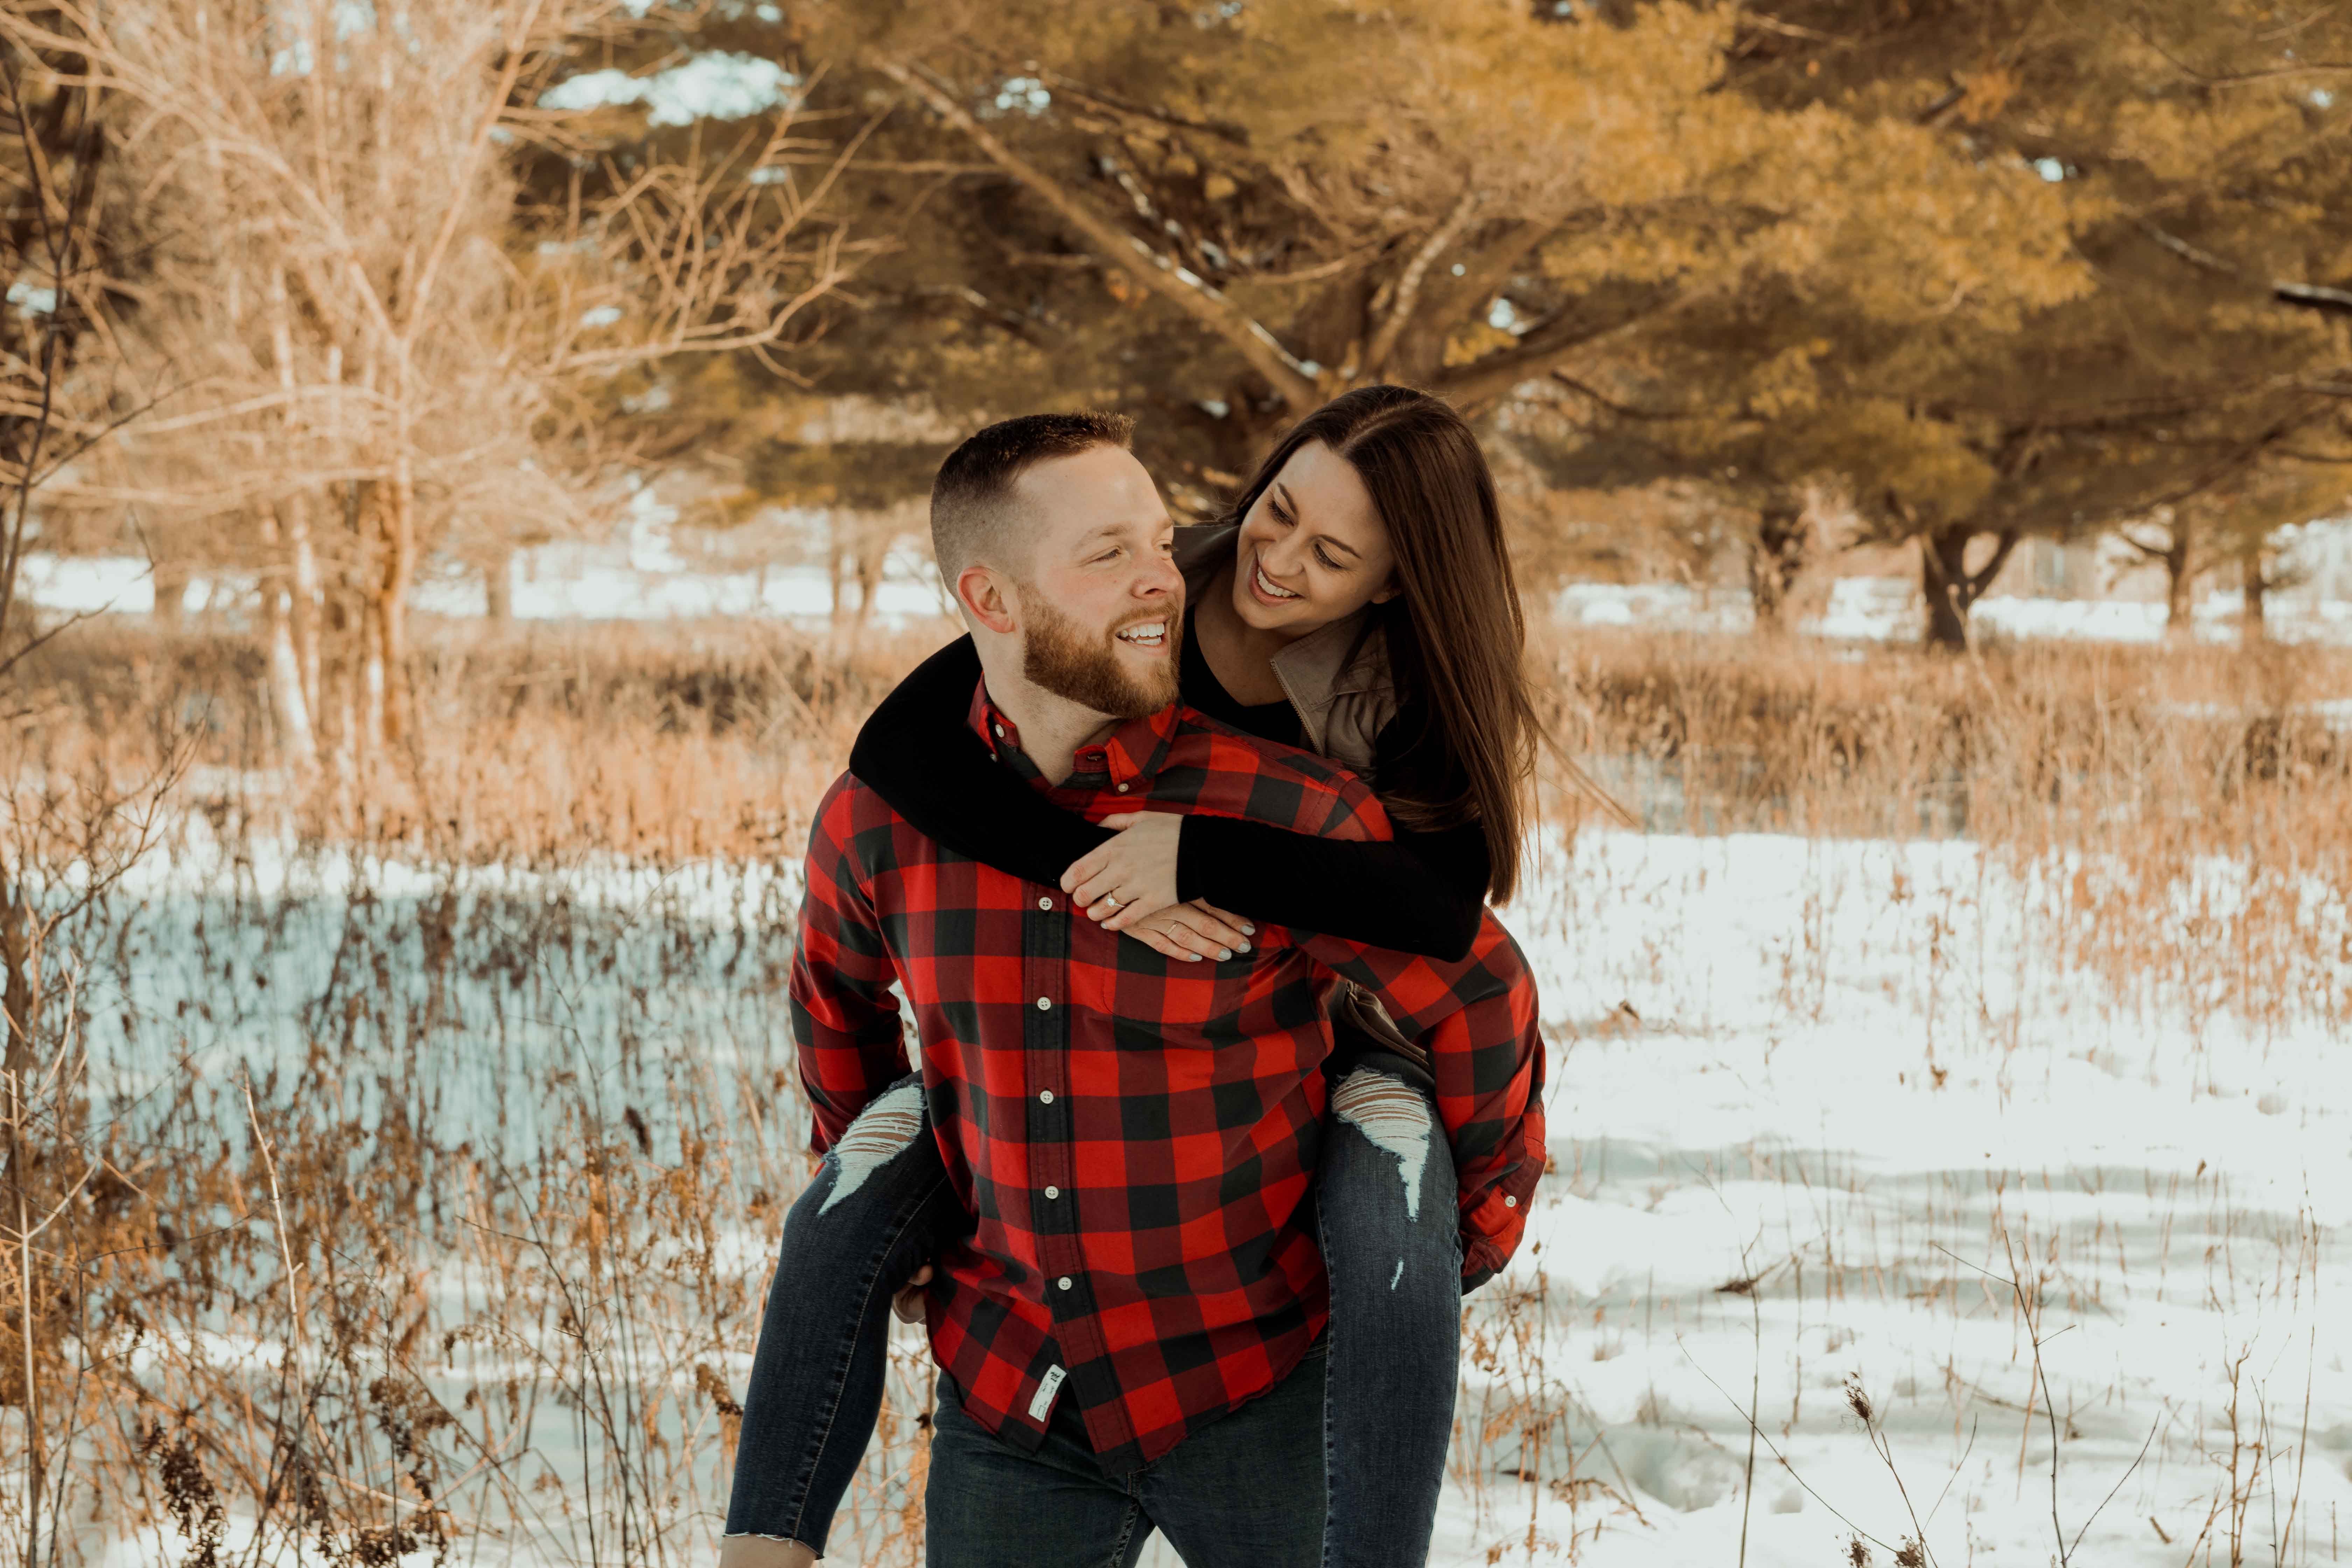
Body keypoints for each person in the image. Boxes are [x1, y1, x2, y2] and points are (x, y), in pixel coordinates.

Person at [722, 407, 1545, 1568]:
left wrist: (1209, 864)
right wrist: (1078, 863)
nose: (1277, 561)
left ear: (1393, 589)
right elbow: (896, 768)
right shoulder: (1153, 591)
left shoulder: (1382, 723)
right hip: (1018, 1377)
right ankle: (761, 1544)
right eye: (1278, 514)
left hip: (1293, 1192)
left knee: (1390, 1183)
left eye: (1333, 556)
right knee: (871, 1159)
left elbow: (1450, 936)